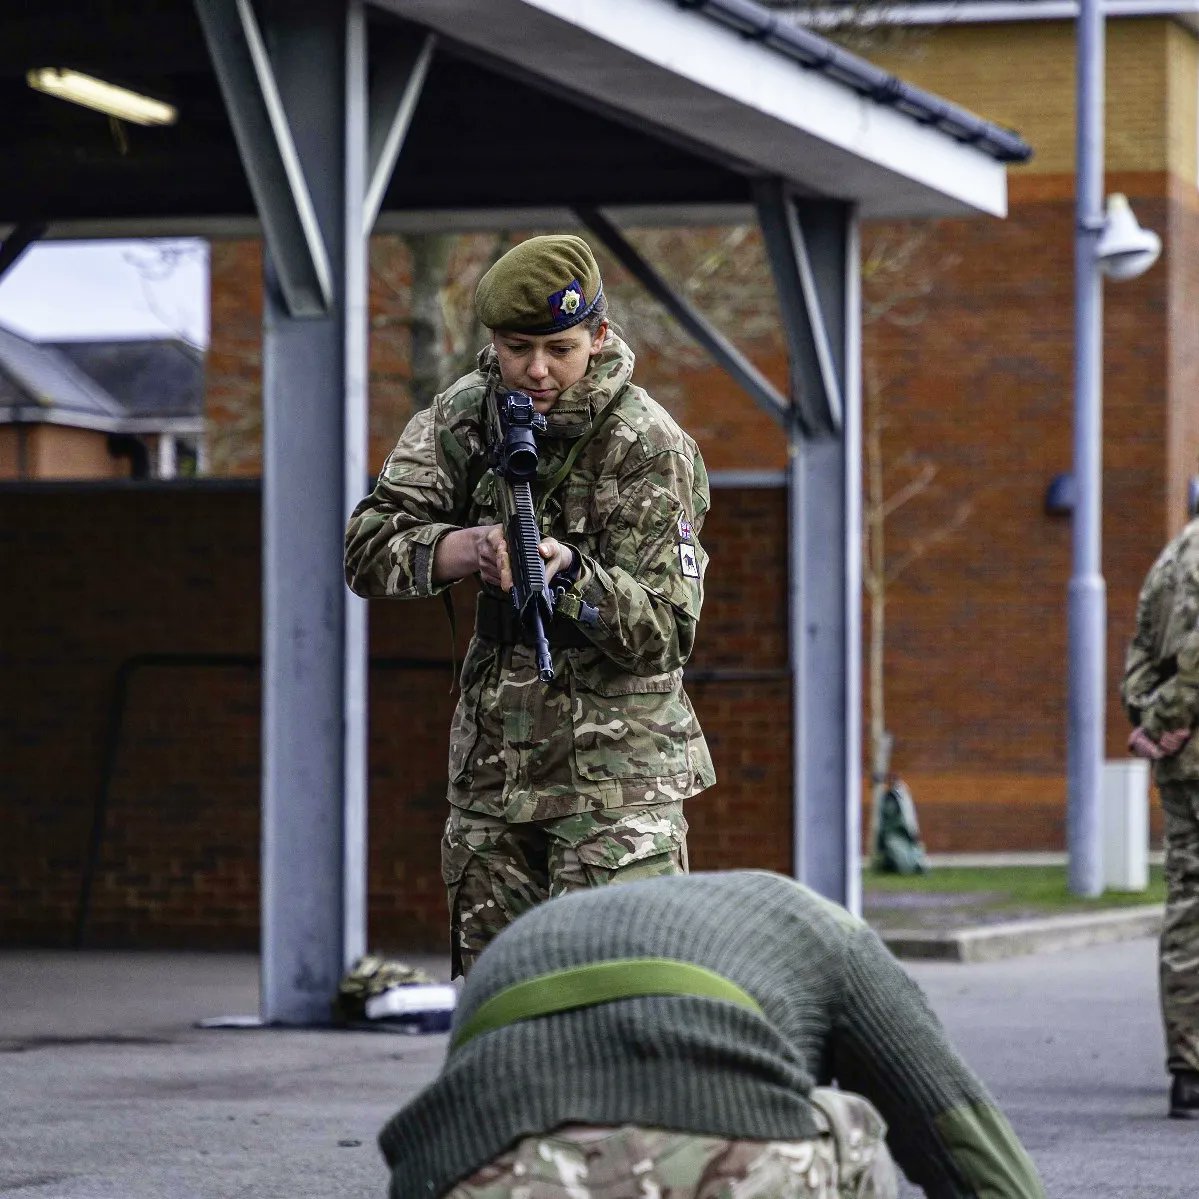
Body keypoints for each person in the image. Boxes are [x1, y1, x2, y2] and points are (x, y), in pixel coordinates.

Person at [345, 234, 714, 977]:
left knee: (619, 1007)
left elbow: (665, 631)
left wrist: (569, 573)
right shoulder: (465, 415)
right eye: (516, 348)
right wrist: (467, 547)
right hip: (495, 782)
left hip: (616, 791)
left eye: (559, 349)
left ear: (598, 337)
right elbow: (366, 548)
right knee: (498, 1013)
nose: (536, 370)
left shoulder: (644, 443)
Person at [378, 870, 1047, 1198]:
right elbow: (954, 1128)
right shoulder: (820, 928)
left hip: (479, 1175)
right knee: (853, 1126)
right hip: (726, 1159)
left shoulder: (527, 937)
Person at [1120, 510, 1199, 1119]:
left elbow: (1140, 657)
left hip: (1182, 765)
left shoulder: (1168, 560)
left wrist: (1153, 719)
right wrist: (1172, 716)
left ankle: (1188, 1070)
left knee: (1188, 907)